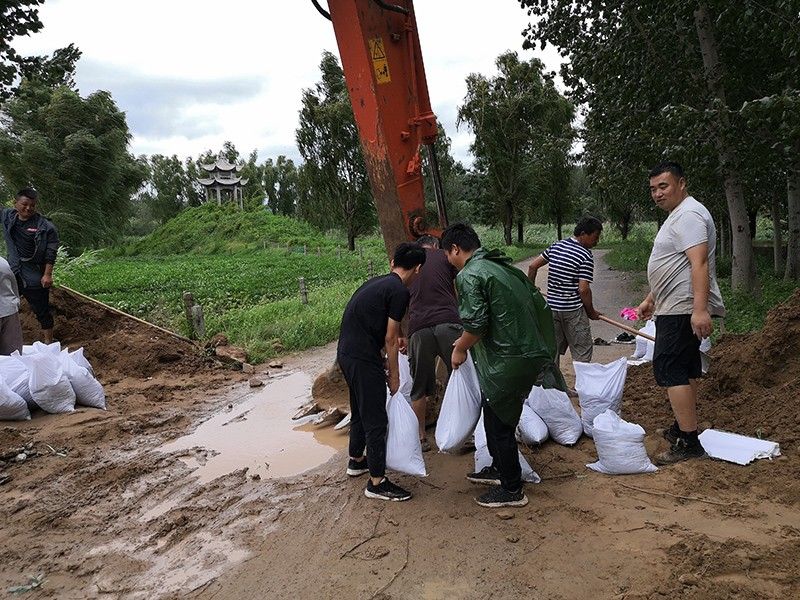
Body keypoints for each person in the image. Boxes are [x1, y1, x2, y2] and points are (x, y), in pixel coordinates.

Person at [442, 223, 564, 508]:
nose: (449, 261)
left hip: (505, 363)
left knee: (500, 426)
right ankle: (499, 469)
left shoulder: (469, 275)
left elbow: (476, 324)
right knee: (494, 415)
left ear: (456, 249)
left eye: (448, 255)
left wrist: (460, 347)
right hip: (520, 355)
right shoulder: (501, 267)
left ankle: (512, 489)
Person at [636, 162, 725, 465]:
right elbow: (674, 265)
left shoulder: (688, 215)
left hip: (682, 307)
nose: (657, 194)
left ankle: (688, 441)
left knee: (669, 366)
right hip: (673, 304)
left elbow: (698, 263)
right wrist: (651, 298)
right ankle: (683, 428)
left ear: (682, 184)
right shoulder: (681, 215)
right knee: (685, 368)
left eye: (663, 186)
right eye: (653, 189)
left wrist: (700, 310)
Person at [337, 242, 426, 502]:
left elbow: (375, 326)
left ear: (393, 263)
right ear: (418, 268)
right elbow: (390, 337)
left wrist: (385, 353)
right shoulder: (400, 291)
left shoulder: (377, 283)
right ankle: (377, 481)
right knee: (377, 419)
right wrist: (395, 376)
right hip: (362, 359)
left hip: (348, 355)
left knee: (361, 408)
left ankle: (357, 459)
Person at [404, 234, 462, 452]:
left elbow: (402, 300)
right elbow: (460, 286)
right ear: (437, 246)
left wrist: (403, 336)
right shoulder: (444, 257)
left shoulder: (410, 264)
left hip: (418, 328)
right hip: (448, 322)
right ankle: (462, 432)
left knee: (419, 385)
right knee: (459, 375)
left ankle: (420, 437)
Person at [527, 216, 603, 365]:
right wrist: (591, 312)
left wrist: (531, 289)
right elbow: (583, 290)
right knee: (582, 353)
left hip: (552, 309)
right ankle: (583, 386)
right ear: (583, 234)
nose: (596, 242)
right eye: (595, 237)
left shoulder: (557, 246)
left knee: (552, 351)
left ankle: (553, 387)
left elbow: (532, 267)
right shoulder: (585, 255)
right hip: (573, 311)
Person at [1, 188, 59, 344]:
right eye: (24, 204)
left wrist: (47, 274)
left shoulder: (45, 227)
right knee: (5, 305)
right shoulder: (8, 217)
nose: (28, 208)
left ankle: (48, 342)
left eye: (32, 205)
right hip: (13, 273)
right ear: (15, 203)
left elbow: (51, 252)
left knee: (41, 310)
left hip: (33, 275)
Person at [0, 256, 24, 355]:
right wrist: (15, 302)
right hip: (9, 309)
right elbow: (14, 285)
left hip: (8, 308)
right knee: (13, 355)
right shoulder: (3, 262)